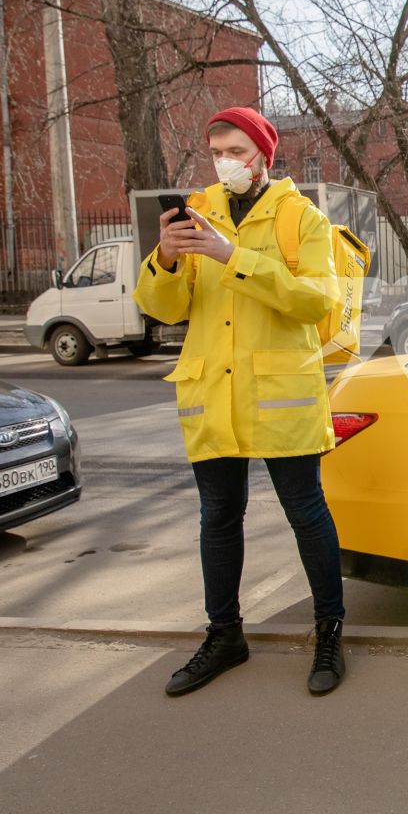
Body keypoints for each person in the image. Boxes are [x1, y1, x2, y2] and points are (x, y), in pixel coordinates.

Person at [135, 106, 348, 697]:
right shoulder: (196, 214)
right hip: (213, 394)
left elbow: (315, 303)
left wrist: (233, 257)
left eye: (236, 151)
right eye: (216, 151)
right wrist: (169, 259)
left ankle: (329, 632)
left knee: (306, 515)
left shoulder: (300, 218)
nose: (224, 161)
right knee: (219, 520)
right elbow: (163, 308)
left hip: (280, 395)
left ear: (262, 157)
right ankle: (224, 635)